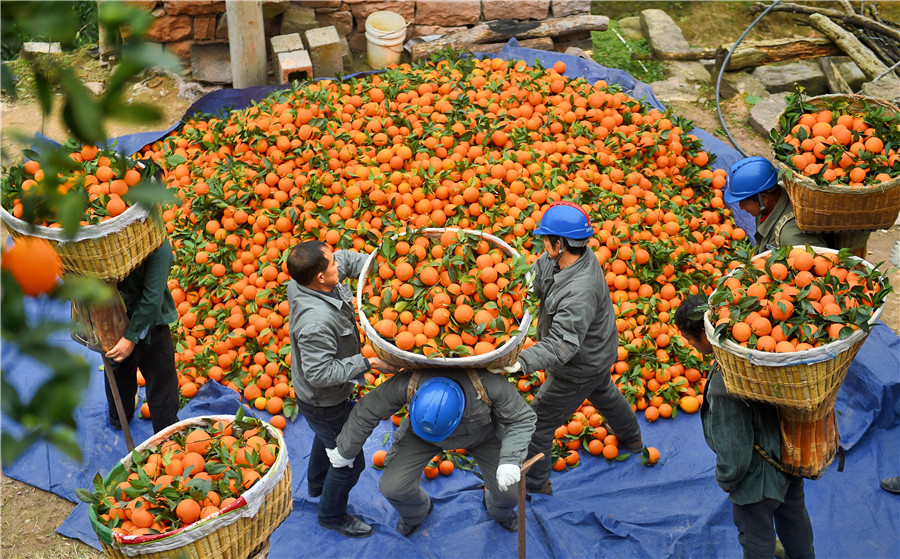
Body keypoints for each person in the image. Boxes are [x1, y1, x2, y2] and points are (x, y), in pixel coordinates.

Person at [492, 201, 643, 495]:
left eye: (545, 239)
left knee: (537, 421)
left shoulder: (580, 289)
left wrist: (522, 361)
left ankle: (536, 485)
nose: (542, 243)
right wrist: (516, 285)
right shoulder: (567, 258)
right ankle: (633, 438)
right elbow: (539, 275)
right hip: (597, 354)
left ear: (558, 243)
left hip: (578, 364)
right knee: (604, 391)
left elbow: (563, 343)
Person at [674, 294, 815, 559]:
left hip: (757, 479)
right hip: (788, 454)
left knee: (756, 537)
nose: (689, 344)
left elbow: (734, 449)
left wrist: (726, 478)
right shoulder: (755, 353)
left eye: (689, 339)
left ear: (705, 336)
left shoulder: (725, 385)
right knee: (793, 516)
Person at [327, 368, 536, 536]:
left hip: (481, 434)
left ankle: (498, 509)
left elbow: (522, 418)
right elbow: (367, 410)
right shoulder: (409, 382)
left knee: (509, 493)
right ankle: (417, 513)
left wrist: (510, 460)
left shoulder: (487, 384)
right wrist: (346, 450)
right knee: (393, 487)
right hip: (422, 436)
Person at [287, 240, 398, 538]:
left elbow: (347, 260)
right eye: (332, 264)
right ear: (321, 277)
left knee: (327, 437)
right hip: (323, 399)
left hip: (322, 400)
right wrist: (368, 363)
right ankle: (332, 515)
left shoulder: (302, 281)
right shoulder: (316, 322)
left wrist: (387, 265)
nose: (339, 264)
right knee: (349, 461)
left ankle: (316, 483)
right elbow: (320, 372)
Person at [104, 238, 180, 434]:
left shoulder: (103, 243)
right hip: (133, 317)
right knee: (160, 379)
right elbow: (153, 298)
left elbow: (152, 299)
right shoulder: (157, 244)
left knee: (118, 364)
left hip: (121, 316)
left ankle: (121, 417)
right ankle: (166, 436)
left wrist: (131, 337)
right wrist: (131, 338)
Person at [724, 156, 826, 255]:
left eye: (743, 202)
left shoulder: (791, 238)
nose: (741, 207)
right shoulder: (767, 204)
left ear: (764, 198)